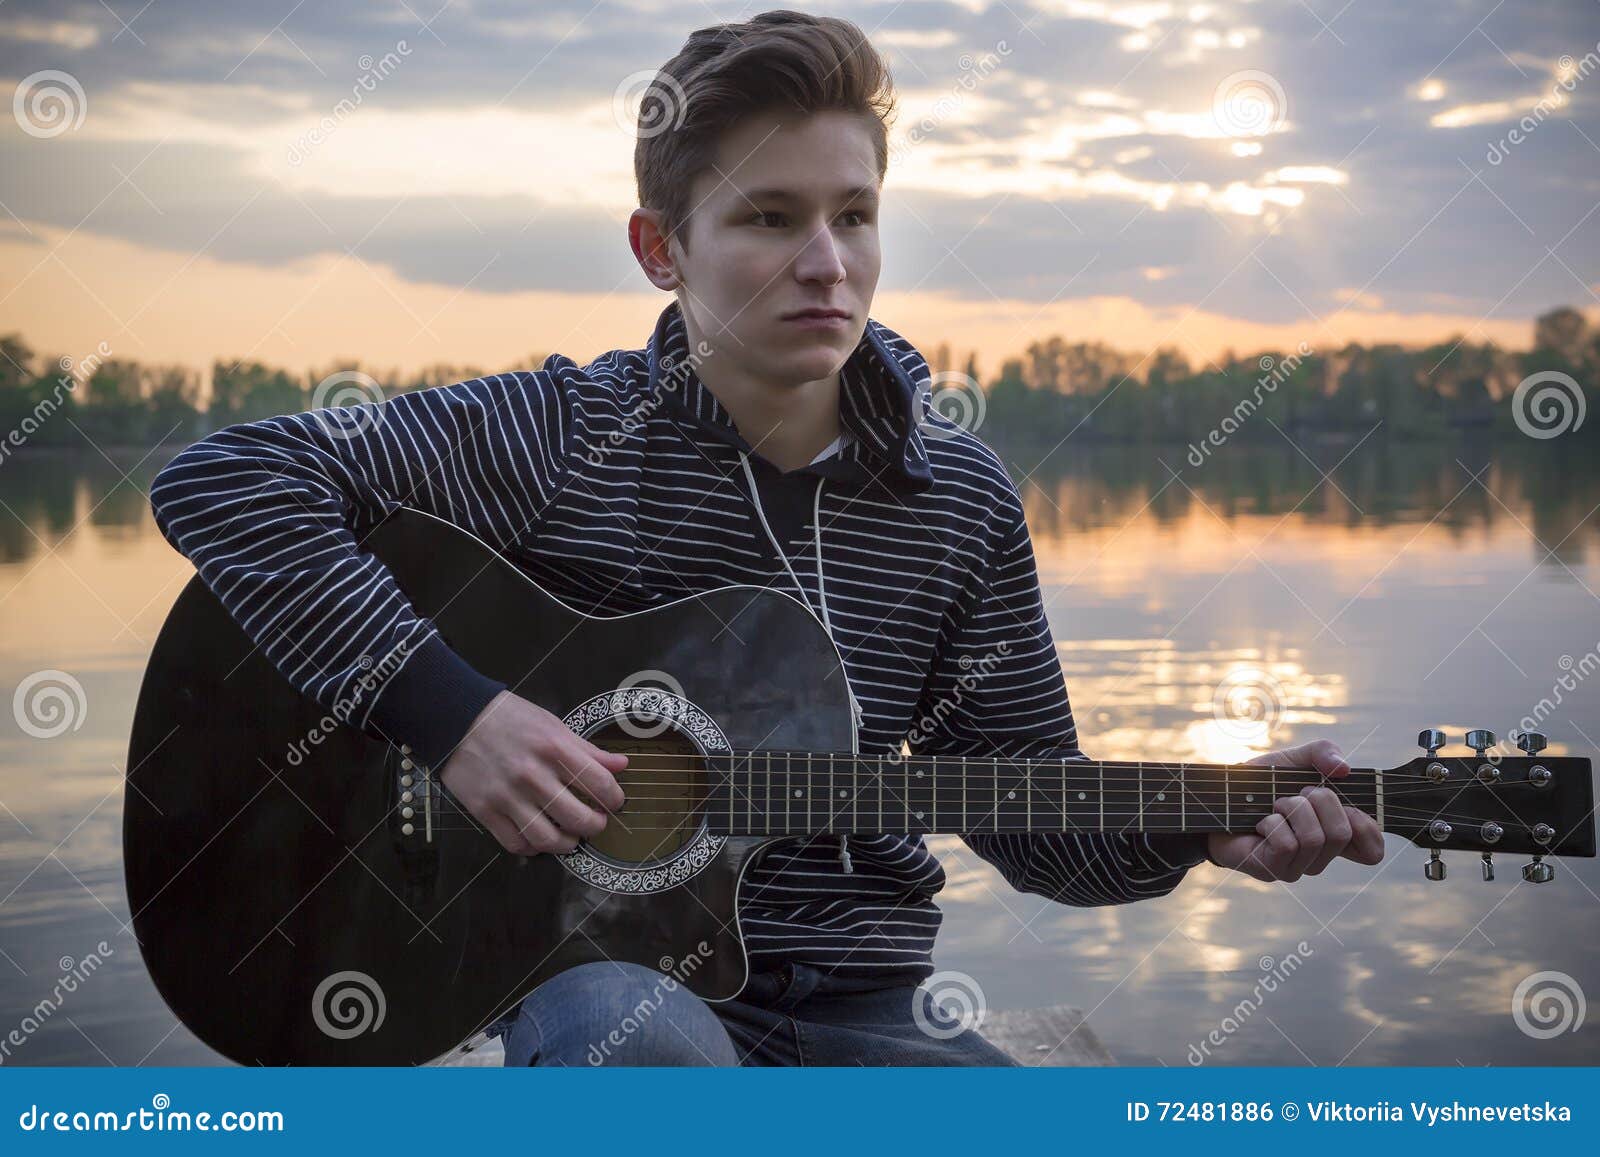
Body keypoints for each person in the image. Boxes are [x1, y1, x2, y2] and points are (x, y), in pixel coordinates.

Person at [148, 9, 1384, 1067]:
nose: (825, 263)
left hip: (867, 1009)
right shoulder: (562, 433)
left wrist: (1202, 821)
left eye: (855, 215)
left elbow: (1034, 817)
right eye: (768, 219)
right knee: (628, 1049)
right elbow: (228, 480)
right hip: (620, 995)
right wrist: (458, 718)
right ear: (660, 249)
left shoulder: (955, 496)